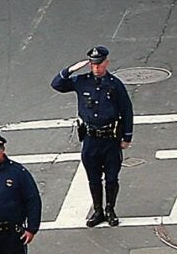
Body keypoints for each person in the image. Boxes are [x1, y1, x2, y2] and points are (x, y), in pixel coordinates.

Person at [51, 44, 135, 227]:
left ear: (106, 63)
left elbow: (127, 110)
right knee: (93, 177)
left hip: (110, 138)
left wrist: (127, 136)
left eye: (99, 64)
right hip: (90, 138)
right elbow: (57, 84)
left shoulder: (114, 84)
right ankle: (98, 211)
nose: (96, 67)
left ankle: (110, 209)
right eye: (93, 64)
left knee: (112, 177)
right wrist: (70, 69)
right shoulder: (82, 81)